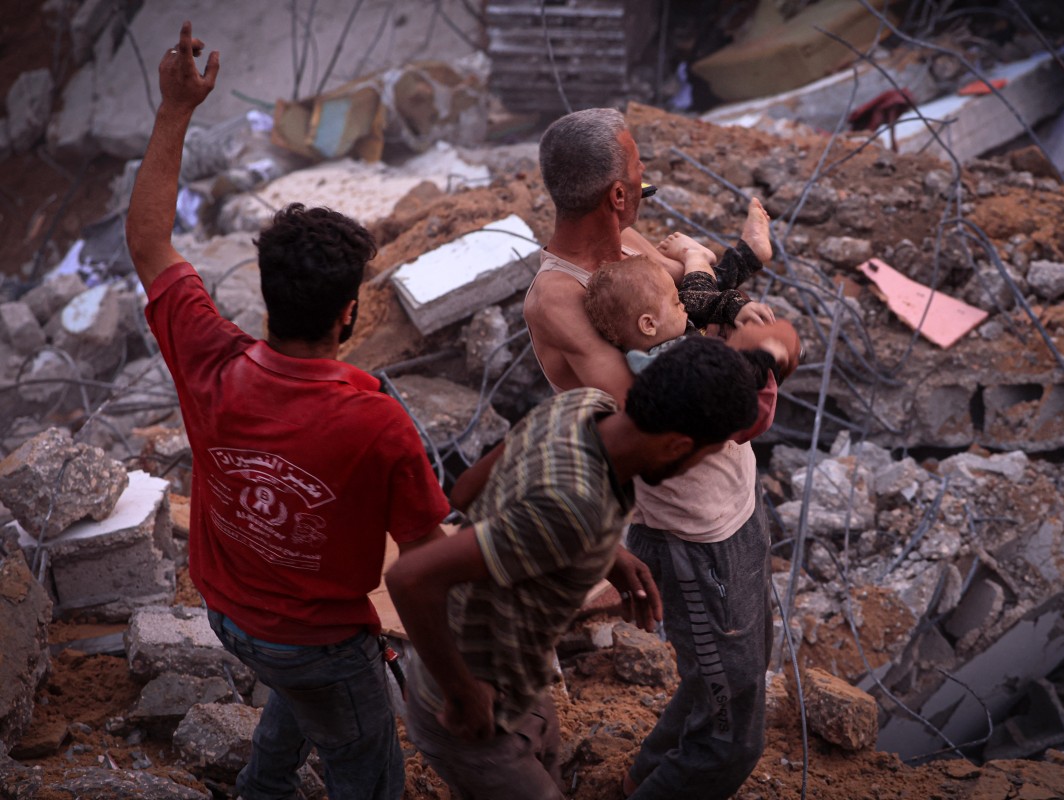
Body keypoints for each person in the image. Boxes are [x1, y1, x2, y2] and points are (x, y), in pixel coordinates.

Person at [125, 23, 450, 800]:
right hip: (321, 644)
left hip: (229, 616)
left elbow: (146, 243)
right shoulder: (376, 420)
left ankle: (262, 786)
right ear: (349, 315)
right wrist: (462, 680)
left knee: (300, 693)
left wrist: (174, 111)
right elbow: (427, 564)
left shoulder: (208, 357)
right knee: (366, 769)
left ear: (267, 296)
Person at [524, 107, 800, 799]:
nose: (646, 188)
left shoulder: (624, 243)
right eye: (640, 176)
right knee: (735, 734)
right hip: (684, 531)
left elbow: (687, 298)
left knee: (732, 675)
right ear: (617, 193)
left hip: (731, 501)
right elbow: (655, 422)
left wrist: (727, 308)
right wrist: (759, 359)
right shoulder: (559, 298)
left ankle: (648, 778)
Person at [385, 336, 762, 800]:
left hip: (519, 682)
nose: (698, 464)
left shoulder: (584, 406)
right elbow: (410, 577)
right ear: (677, 445)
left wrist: (605, 553)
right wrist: (462, 690)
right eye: (706, 454)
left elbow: (465, 491)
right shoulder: (575, 507)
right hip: (471, 712)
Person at [584, 252, 799, 380]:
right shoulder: (677, 361)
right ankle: (701, 256)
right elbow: (726, 377)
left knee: (699, 294)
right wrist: (765, 356)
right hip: (738, 385)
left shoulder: (653, 343)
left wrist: (733, 307)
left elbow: (691, 300)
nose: (683, 306)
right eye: (676, 303)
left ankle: (698, 257)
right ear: (648, 324)